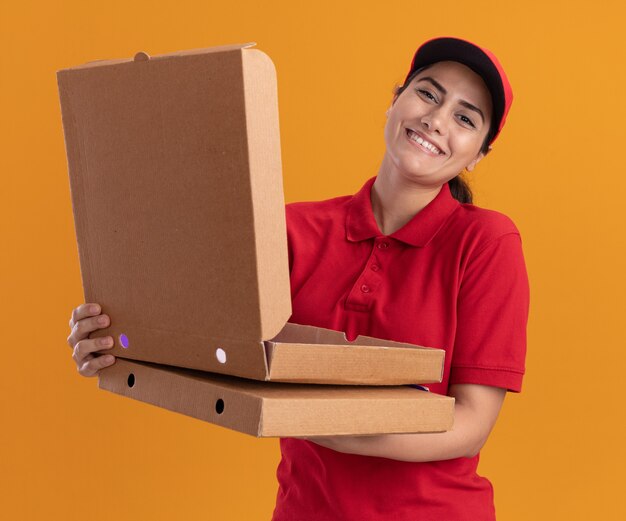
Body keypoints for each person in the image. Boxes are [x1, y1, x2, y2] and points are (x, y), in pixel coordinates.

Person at [66, 36, 529, 520]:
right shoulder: (290, 230)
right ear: (395, 101)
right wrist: (116, 342)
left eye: (465, 117)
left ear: (478, 154)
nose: (437, 119)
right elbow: (205, 343)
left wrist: (315, 419)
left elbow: (471, 421)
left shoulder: (487, 243)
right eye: (428, 94)